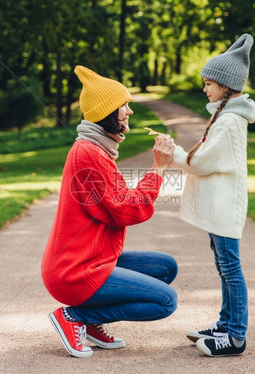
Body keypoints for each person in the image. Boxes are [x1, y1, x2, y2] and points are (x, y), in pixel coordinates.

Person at [41, 65, 178, 358]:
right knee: (166, 302)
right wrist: (159, 169)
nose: (129, 112)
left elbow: (120, 200)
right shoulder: (88, 154)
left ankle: (92, 321)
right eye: (123, 106)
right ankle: (76, 317)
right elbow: (127, 210)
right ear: (106, 112)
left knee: (166, 267)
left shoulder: (97, 150)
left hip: (92, 260)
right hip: (75, 271)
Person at [169, 34, 255, 357]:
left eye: (209, 83)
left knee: (231, 268)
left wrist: (173, 155)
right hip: (219, 207)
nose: (205, 89)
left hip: (225, 208)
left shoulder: (231, 121)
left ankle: (236, 335)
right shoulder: (225, 115)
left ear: (225, 85)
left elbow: (204, 161)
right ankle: (225, 323)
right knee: (223, 267)